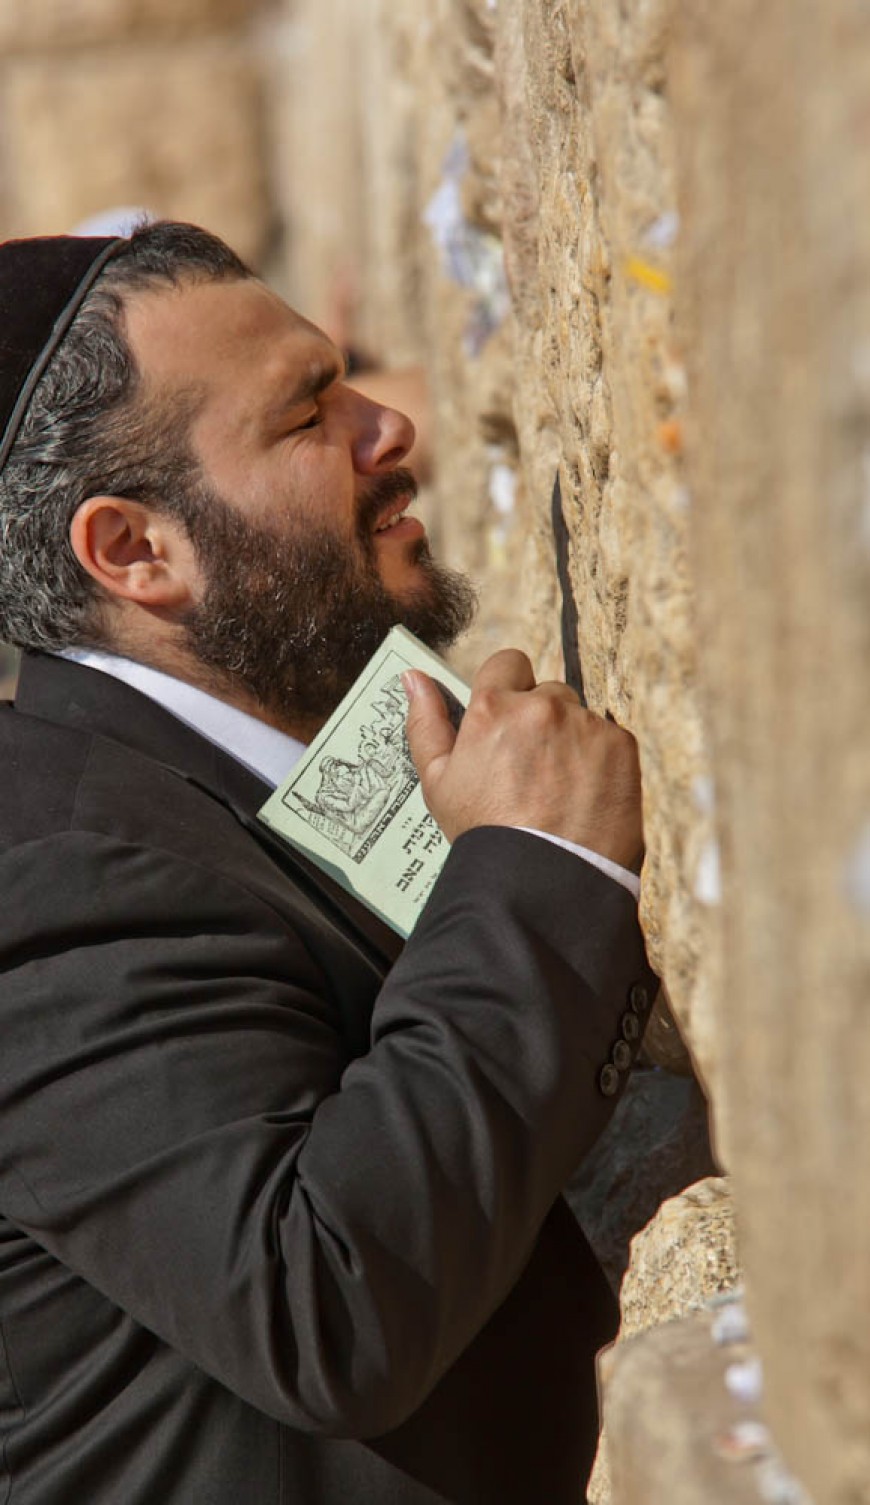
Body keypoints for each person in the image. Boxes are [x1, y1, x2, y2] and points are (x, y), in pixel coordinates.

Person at [0, 223, 655, 1505]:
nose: (387, 428)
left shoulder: (204, 769)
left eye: (343, 378)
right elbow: (326, 1299)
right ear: (134, 550)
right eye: (309, 415)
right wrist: (534, 864)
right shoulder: (50, 873)